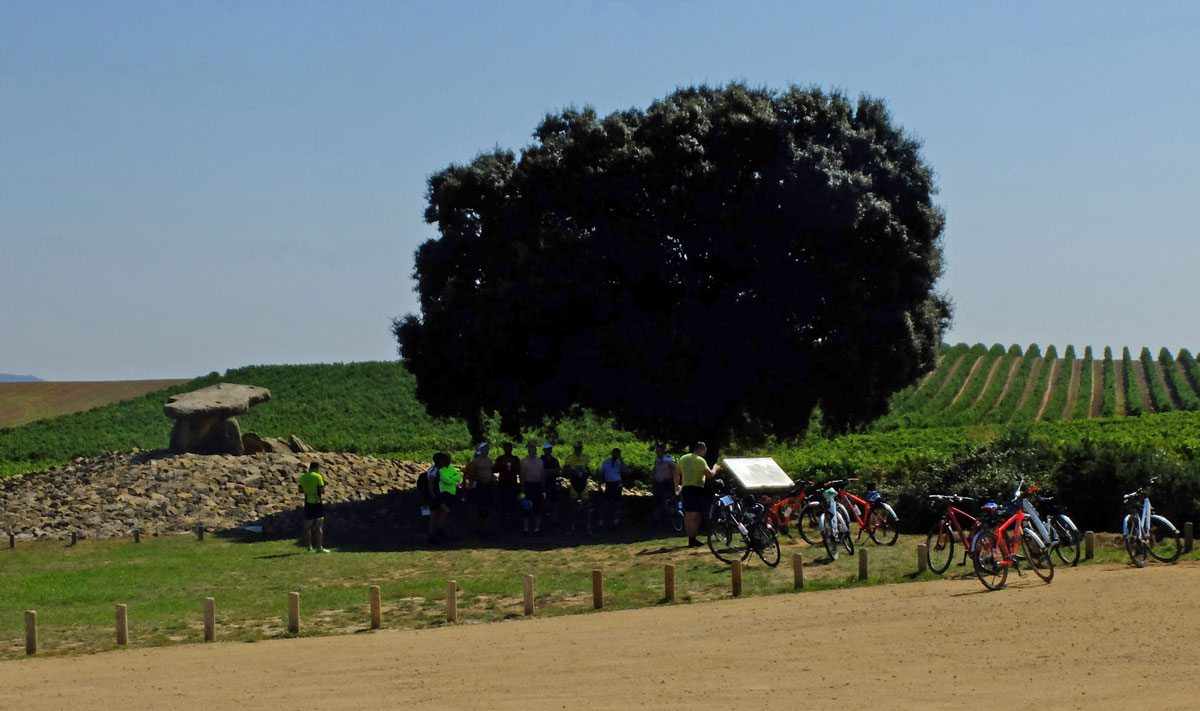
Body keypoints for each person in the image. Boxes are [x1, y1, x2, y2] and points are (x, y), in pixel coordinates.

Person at [676, 442, 720, 547]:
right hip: (696, 488)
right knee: (696, 514)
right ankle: (693, 539)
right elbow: (709, 474)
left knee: (688, 514)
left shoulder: (683, 458)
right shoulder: (700, 460)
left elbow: (676, 473)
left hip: (686, 488)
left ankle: (690, 538)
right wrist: (715, 468)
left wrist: (677, 485)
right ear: (702, 449)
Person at [429, 452, 463, 544]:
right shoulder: (435, 471)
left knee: (438, 514)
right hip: (436, 497)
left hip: (438, 496)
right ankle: (436, 534)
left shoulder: (437, 470)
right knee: (441, 513)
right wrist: (434, 497)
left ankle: (436, 535)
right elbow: (431, 485)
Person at [297, 461, 330, 553]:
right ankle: (319, 546)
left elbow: (300, 490)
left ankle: (309, 546)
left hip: (308, 501)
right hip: (317, 502)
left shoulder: (303, 476)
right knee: (319, 526)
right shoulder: (318, 476)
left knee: (307, 525)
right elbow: (322, 490)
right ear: (317, 468)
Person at [465, 442, 496, 535]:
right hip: (480, 486)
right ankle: (478, 528)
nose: (486, 450)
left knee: (488, 507)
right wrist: (477, 481)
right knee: (479, 507)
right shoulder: (476, 461)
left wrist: (492, 479)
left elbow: (490, 472)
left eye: (487, 448)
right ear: (481, 449)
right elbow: (471, 475)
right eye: (485, 448)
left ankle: (485, 527)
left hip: (488, 486)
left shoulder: (489, 461)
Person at [493, 442, 522, 533]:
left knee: (513, 506)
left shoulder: (515, 459)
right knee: (502, 505)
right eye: (506, 447)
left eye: (509, 447)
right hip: (502, 484)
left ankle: (513, 526)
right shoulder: (500, 459)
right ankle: (502, 526)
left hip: (513, 484)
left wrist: (521, 484)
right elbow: (494, 469)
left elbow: (519, 471)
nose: (507, 449)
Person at [519, 442, 546, 534]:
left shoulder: (540, 461)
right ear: (528, 450)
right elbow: (522, 476)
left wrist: (543, 488)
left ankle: (536, 528)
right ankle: (526, 529)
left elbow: (542, 475)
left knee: (538, 508)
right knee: (526, 507)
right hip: (528, 485)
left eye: (534, 449)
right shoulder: (524, 462)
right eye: (531, 449)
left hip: (537, 486)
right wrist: (523, 489)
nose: (533, 451)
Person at [651, 444, 676, 528]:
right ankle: (658, 521)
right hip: (658, 484)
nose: (657, 453)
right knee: (657, 503)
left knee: (667, 502)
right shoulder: (657, 461)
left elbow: (674, 471)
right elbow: (654, 471)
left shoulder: (668, 461)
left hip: (666, 484)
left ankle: (670, 520)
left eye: (659, 451)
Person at [598, 447, 625, 528]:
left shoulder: (620, 464)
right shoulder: (606, 462)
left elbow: (627, 471)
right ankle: (601, 523)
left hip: (617, 485)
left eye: (618, 454)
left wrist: (622, 462)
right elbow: (601, 473)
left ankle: (615, 522)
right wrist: (599, 485)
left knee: (617, 505)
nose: (616, 455)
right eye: (615, 453)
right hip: (609, 485)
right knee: (605, 504)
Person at [541, 443, 562, 531]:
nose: (549, 451)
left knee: (554, 505)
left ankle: (554, 524)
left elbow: (558, 472)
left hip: (553, 485)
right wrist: (551, 472)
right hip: (543, 485)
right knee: (544, 505)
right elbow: (541, 472)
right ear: (544, 450)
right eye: (547, 449)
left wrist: (548, 472)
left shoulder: (555, 460)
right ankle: (544, 525)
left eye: (550, 449)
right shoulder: (541, 460)